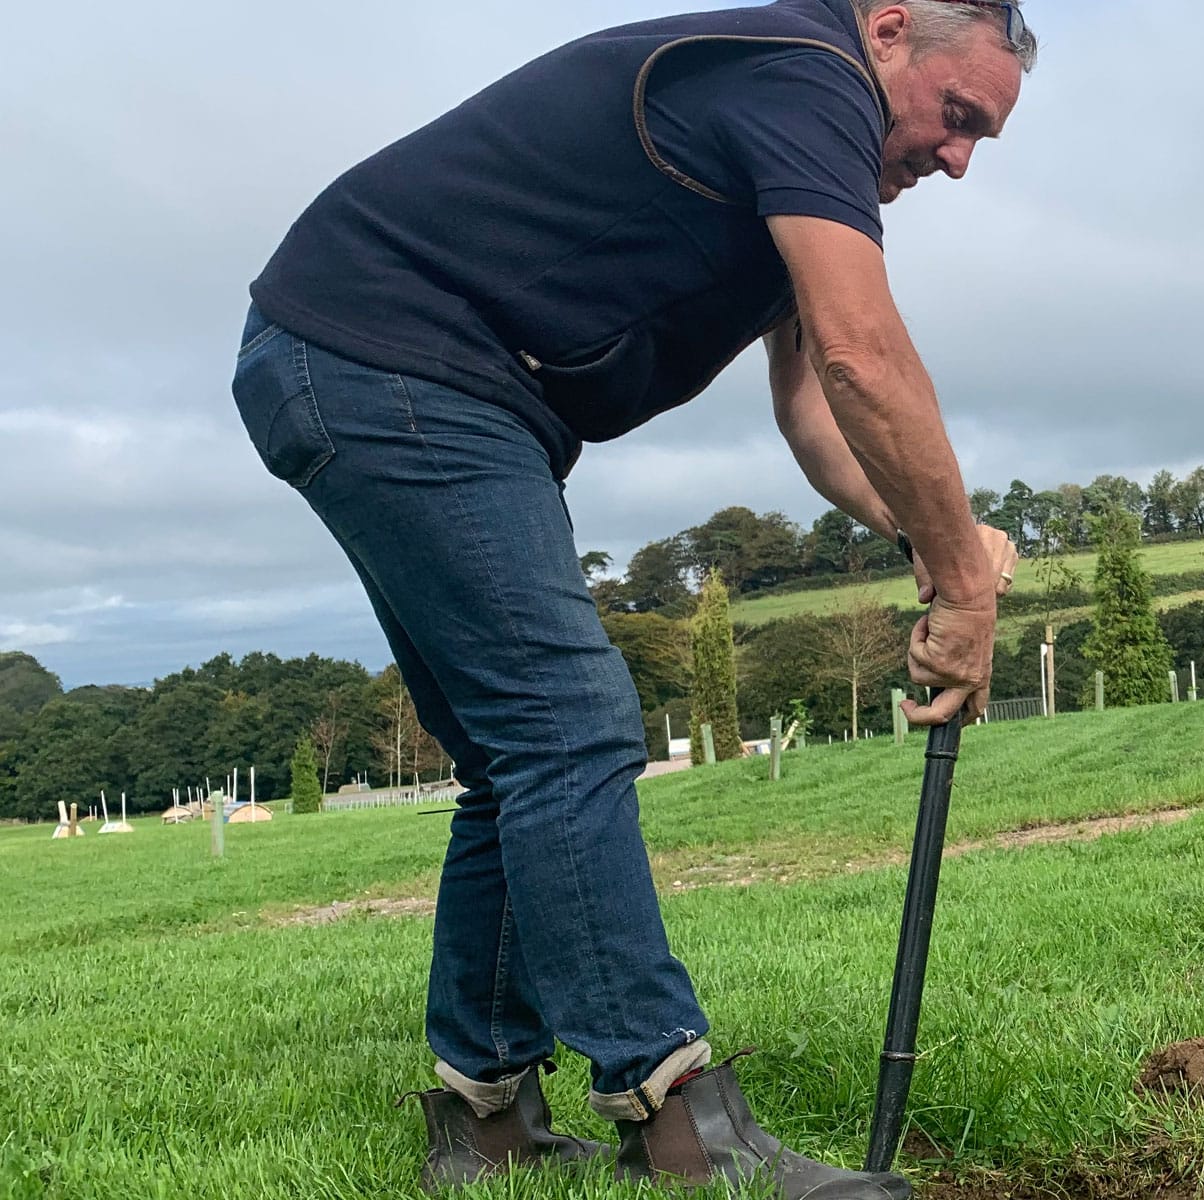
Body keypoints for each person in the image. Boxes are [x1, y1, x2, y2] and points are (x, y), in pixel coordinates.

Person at [229, 1, 1034, 1195]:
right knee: (568, 726)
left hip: (364, 361)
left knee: (518, 757)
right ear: (888, 29)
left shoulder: (799, 133)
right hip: (392, 359)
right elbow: (866, 349)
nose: (956, 159)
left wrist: (928, 528)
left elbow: (816, 402)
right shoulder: (807, 75)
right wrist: (964, 578)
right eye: (956, 117)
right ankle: (677, 1119)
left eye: (983, 143)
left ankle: (483, 1117)